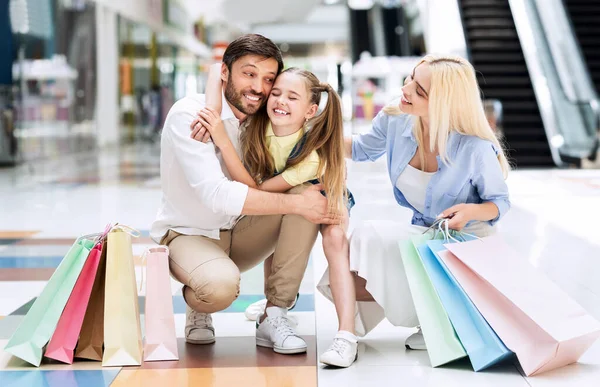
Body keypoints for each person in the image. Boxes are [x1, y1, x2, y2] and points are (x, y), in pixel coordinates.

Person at [150, 34, 339, 356]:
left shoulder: (261, 118)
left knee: (304, 193)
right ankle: (199, 301)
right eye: (248, 74)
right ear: (226, 72)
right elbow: (216, 195)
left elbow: (303, 137)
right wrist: (297, 203)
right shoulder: (190, 115)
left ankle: (275, 313)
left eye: (268, 79)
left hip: (240, 230)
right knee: (219, 288)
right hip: (189, 233)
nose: (258, 88)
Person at [317, 54, 511, 351]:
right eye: (410, 78)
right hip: (427, 236)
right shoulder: (396, 119)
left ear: (445, 104)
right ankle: (433, 317)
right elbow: (361, 149)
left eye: (420, 90)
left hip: (468, 244)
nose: (406, 89)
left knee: (372, 239)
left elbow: (499, 202)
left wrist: (471, 211)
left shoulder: (473, 147)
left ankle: (451, 316)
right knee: (359, 249)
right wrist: (309, 136)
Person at [191, 64, 359, 368]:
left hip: (324, 194)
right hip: (289, 200)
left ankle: (346, 335)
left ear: (310, 111)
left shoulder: (311, 155)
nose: (280, 101)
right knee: (289, 205)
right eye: (276, 93)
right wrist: (212, 112)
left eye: (292, 97)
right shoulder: (259, 122)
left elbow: (258, 190)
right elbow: (218, 69)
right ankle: (275, 308)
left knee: (334, 239)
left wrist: (221, 138)